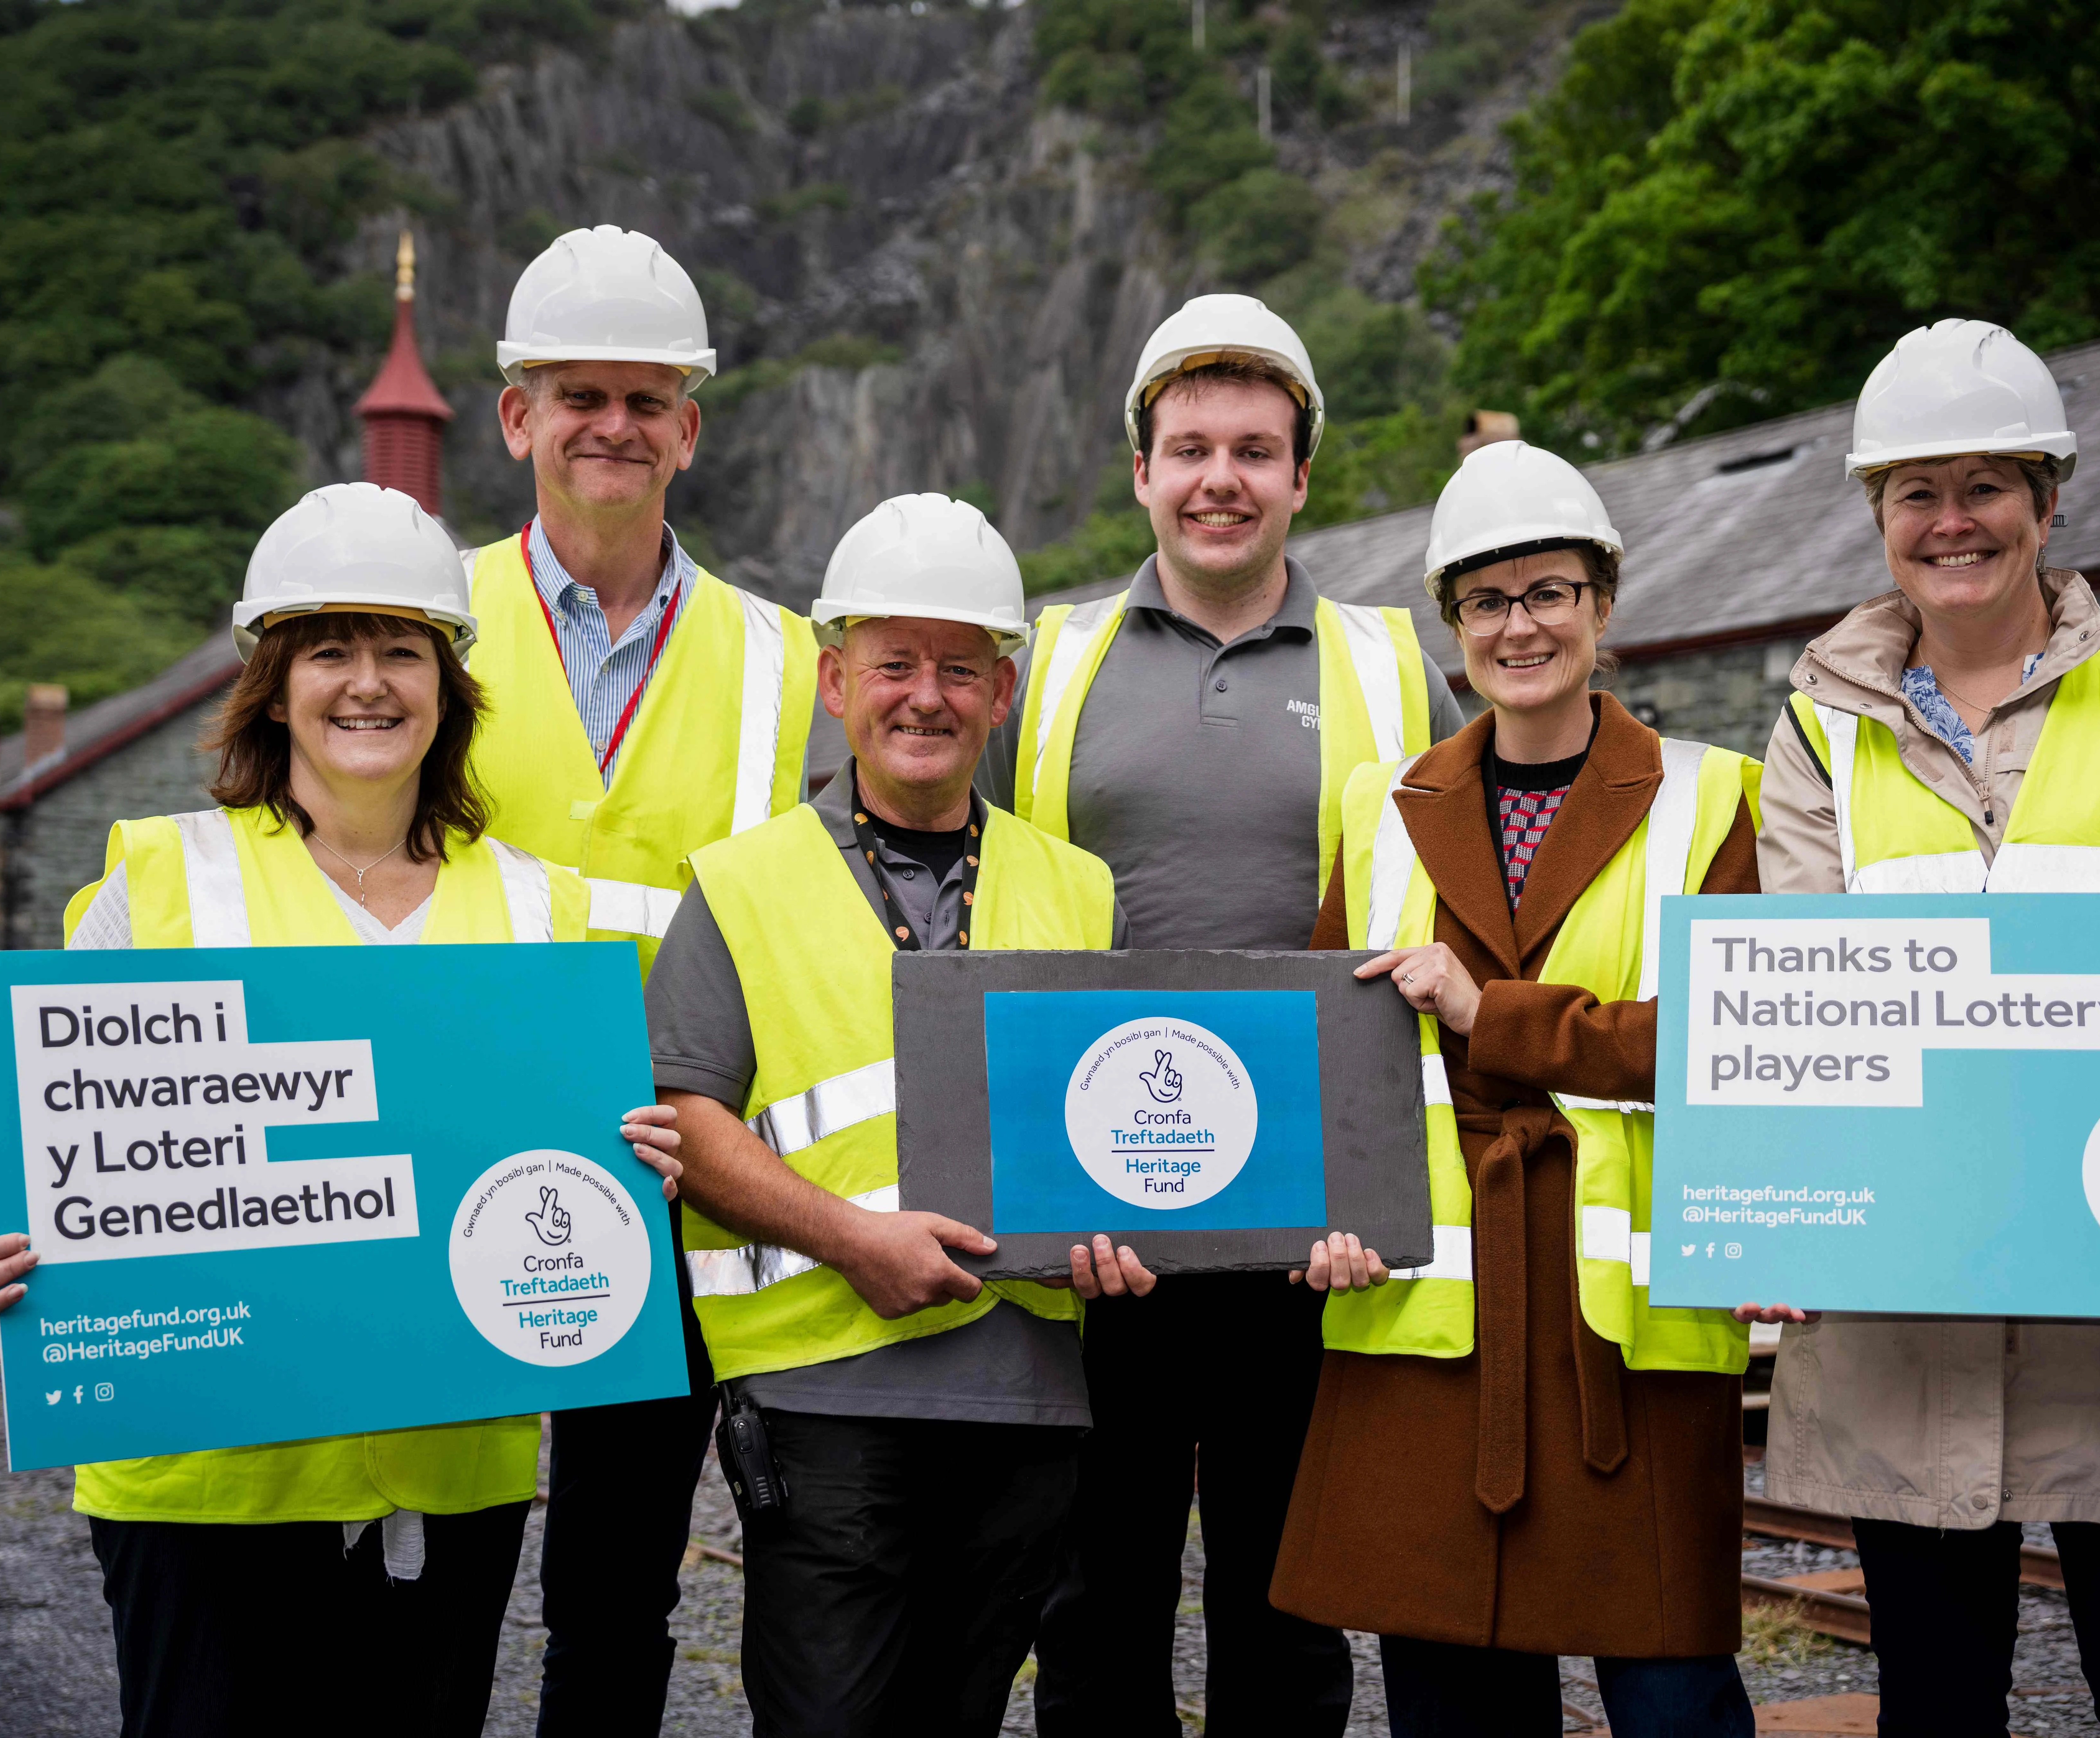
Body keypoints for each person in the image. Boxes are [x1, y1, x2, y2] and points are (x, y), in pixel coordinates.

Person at [0, 483, 689, 1738]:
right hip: (202, 1486)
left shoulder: (541, 914)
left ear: (446, 685)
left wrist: (639, 1166)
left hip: (444, 1486)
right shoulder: (159, 884)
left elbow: (571, 1182)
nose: (367, 682)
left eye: (400, 647)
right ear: (274, 681)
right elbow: (78, 1159)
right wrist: (26, 1251)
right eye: (329, 649)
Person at [1743, 320, 2100, 1738]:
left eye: (1984, 487)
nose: (1951, 524)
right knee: (1938, 1712)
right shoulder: (1818, 729)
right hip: (1911, 1324)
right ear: (1878, 521)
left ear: (2046, 501)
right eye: (1914, 495)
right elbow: (1812, 1016)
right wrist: (1778, 1206)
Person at [985, 292, 1464, 1736]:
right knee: (1093, 1604)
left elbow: (1452, 917)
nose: (1218, 479)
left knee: (1292, 1607)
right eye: (1188, 446)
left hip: (1307, 1224)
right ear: (1138, 470)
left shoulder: (1392, 664)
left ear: (1300, 476)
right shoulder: (1046, 663)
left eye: (1253, 449)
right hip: (1095, 1223)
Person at [1267, 442, 1760, 1737]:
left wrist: (1500, 1021)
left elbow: (1742, 1043)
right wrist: (1312, 1220)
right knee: (1453, 1703)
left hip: (1626, 1334)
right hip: (1433, 1326)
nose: (1518, 626)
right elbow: (1330, 1060)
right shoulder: (1382, 805)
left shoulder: (1712, 801)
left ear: (1602, 603)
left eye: (1546, 592)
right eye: (1485, 602)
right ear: (1453, 629)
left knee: (1671, 1702)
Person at [648, 494, 1155, 1736]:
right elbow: (690, 1121)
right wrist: (852, 1240)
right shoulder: (739, 883)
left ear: (999, 690)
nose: (923, 695)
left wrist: (1124, 1233)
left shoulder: (1079, 890)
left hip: (1028, 1398)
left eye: (957, 667)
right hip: (819, 1399)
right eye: (893, 665)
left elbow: (1121, 1131)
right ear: (835, 681)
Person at [465, 224, 820, 1734]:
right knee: (423, 1565)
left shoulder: (791, 659)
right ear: (516, 418)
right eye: (576, 394)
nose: (609, 424)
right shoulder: (418, 623)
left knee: (615, 1594)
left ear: (688, 426)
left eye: (642, 397)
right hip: (448, 1162)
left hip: (673, 1188)